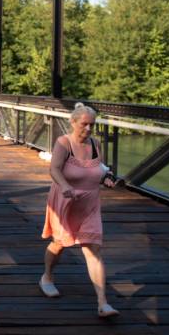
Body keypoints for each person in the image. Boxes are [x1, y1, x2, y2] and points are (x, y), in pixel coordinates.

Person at [40, 103, 120, 318]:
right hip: (65, 202)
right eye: (84, 124)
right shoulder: (64, 143)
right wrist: (65, 186)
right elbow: (54, 169)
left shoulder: (95, 144)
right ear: (73, 122)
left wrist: (107, 178)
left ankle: (103, 303)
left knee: (93, 249)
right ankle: (47, 276)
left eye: (92, 124)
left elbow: (99, 168)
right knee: (59, 244)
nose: (89, 129)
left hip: (89, 204)